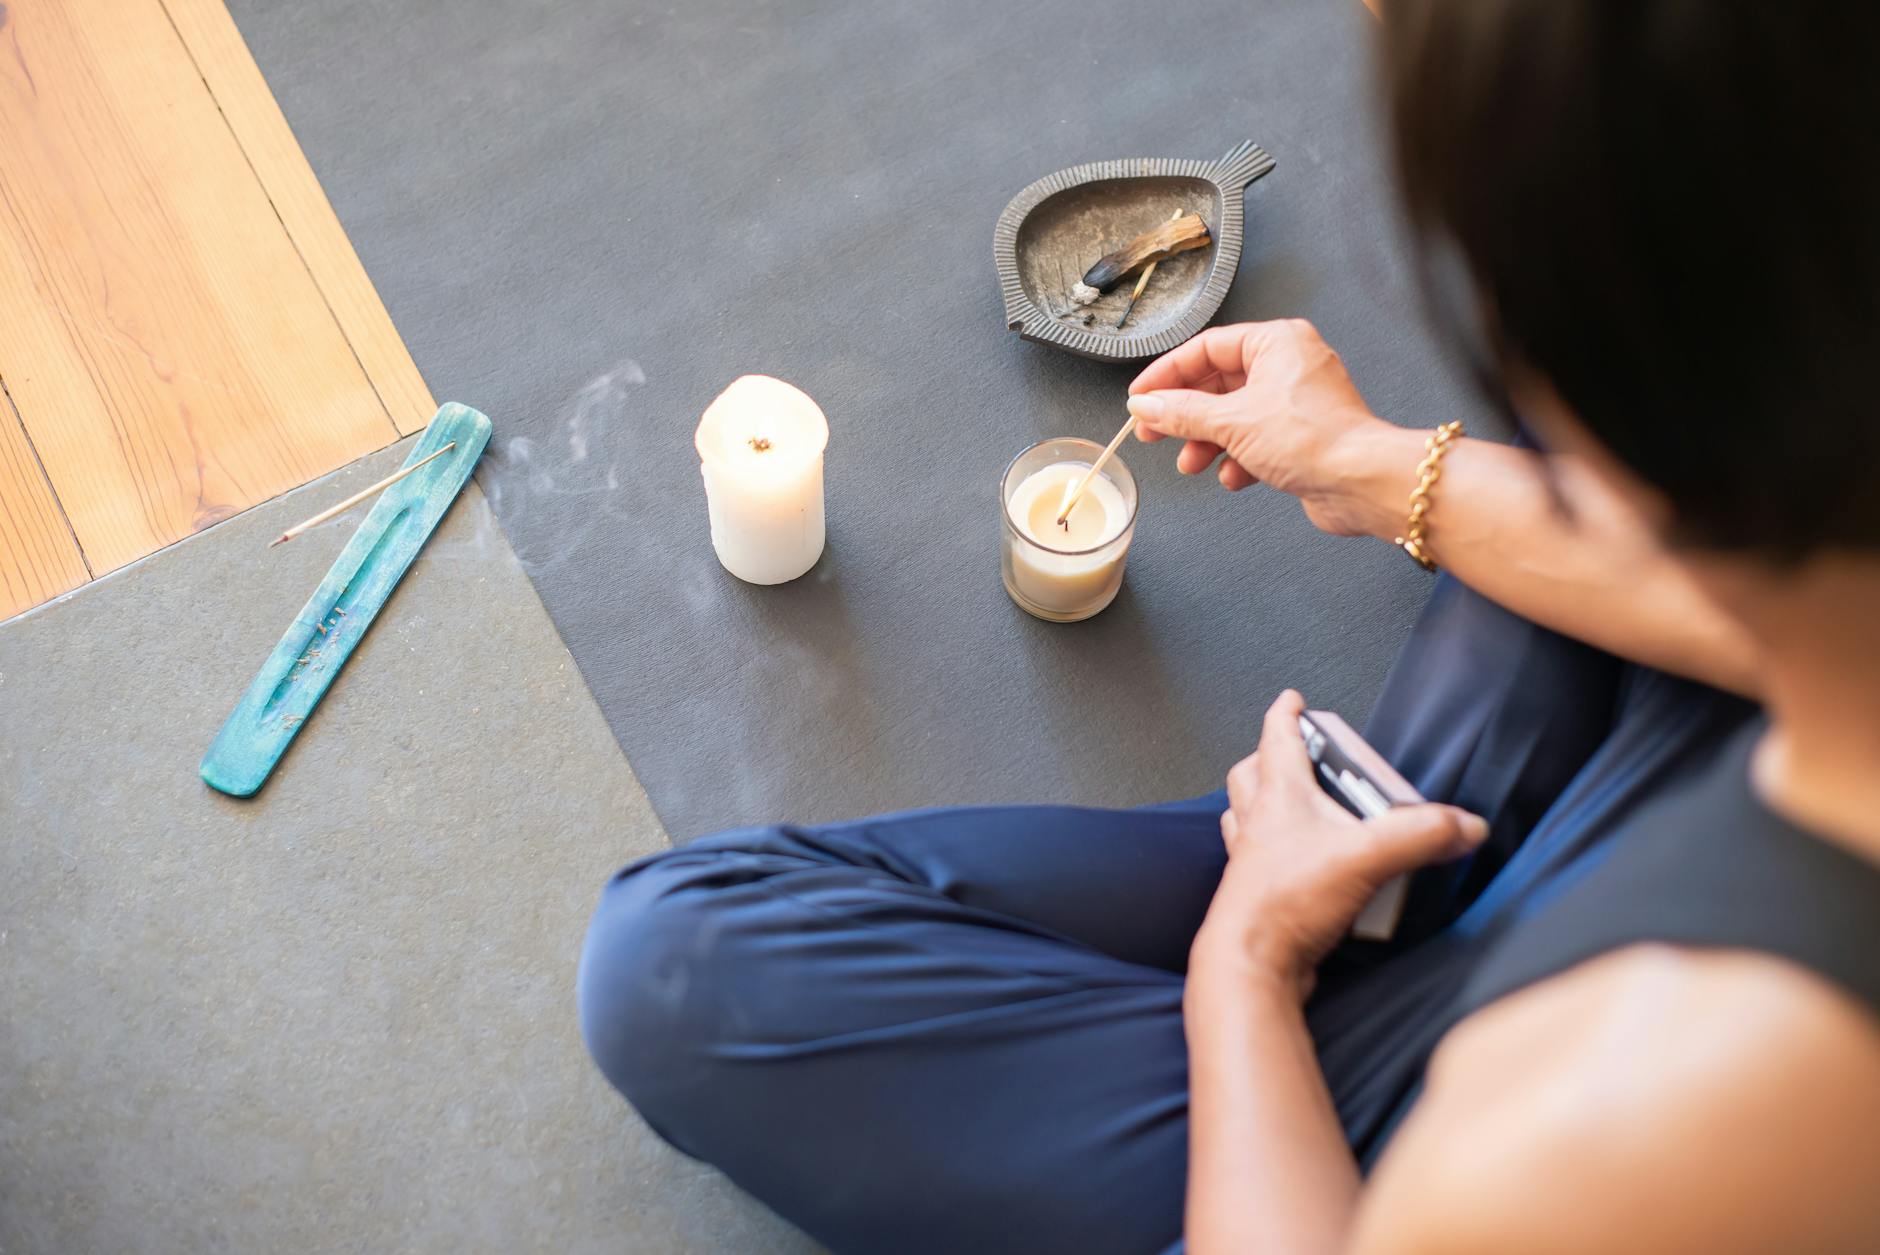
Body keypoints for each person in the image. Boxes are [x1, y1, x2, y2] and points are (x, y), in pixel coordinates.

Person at [578, 2, 1880, 1250]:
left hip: (1403, 1121)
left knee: (675, 965)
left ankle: (1338, 956)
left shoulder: (1665, 1116)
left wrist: (1250, 959)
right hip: (1697, 737)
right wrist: (1374, 467)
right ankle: (1373, 896)